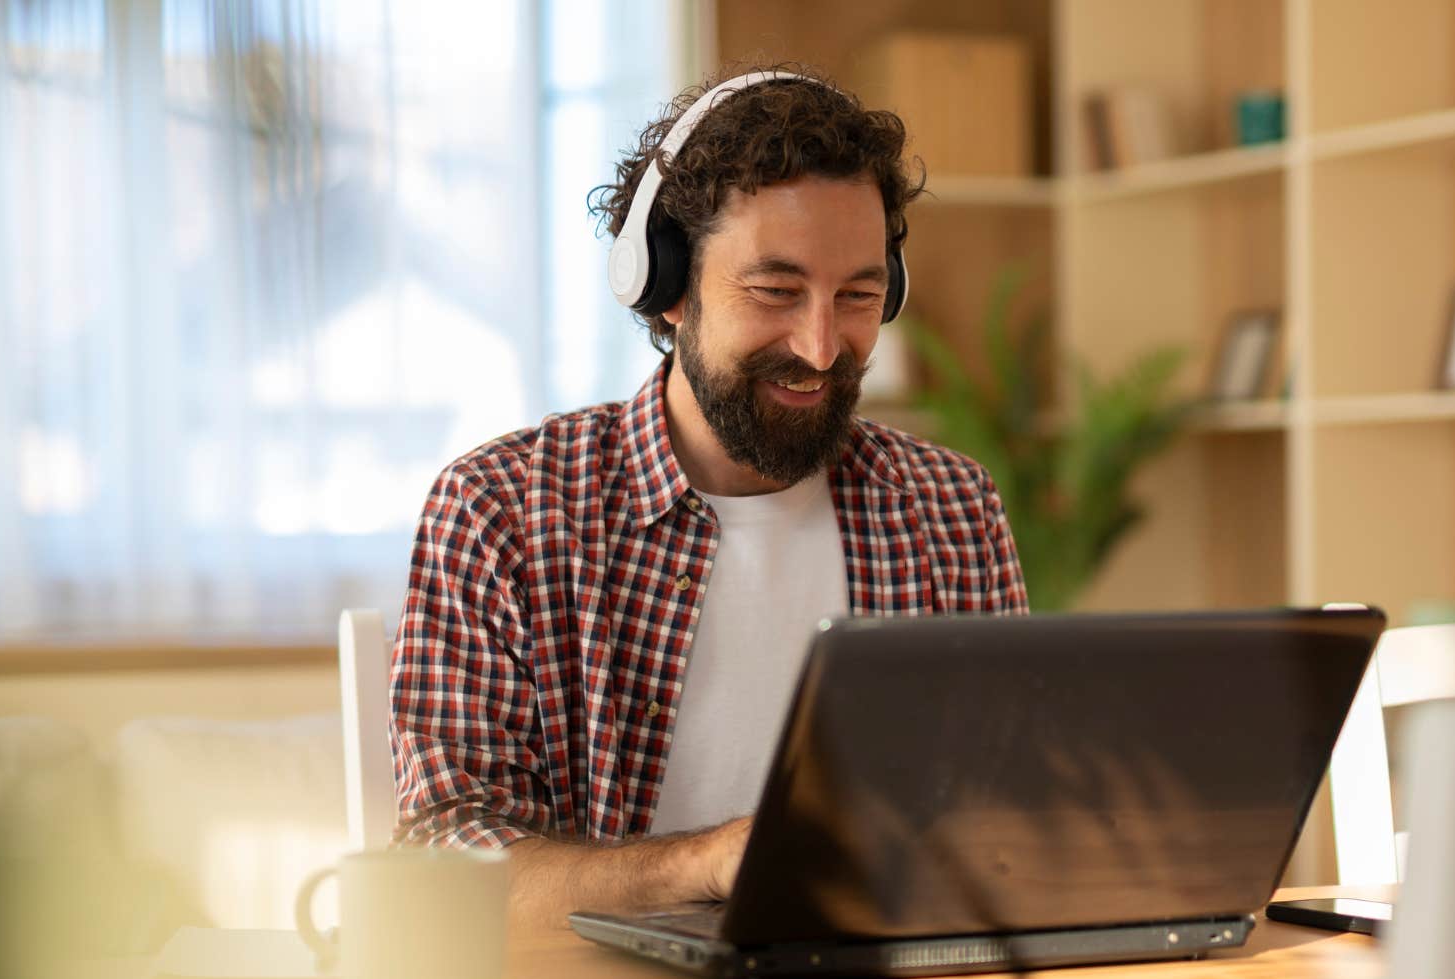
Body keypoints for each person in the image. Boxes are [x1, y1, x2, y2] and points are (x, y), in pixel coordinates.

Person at [389, 66, 1028, 931]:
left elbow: (1010, 815)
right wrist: (711, 862)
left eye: (859, 296)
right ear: (667, 288)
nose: (820, 345)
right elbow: (446, 864)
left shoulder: (950, 510)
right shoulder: (500, 511)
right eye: (775, 291)